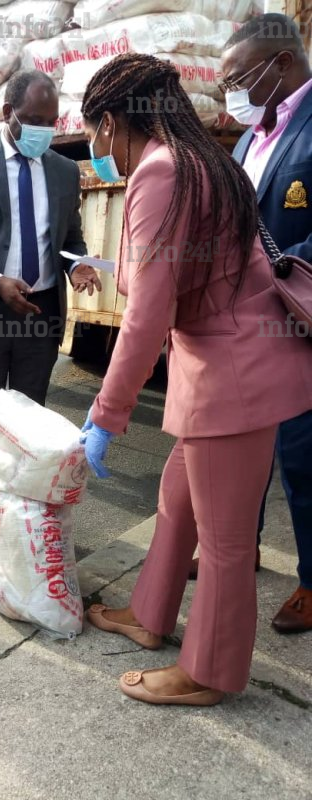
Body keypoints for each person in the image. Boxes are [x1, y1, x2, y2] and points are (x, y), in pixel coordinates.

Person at [79, 53, 312, 706]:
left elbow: (148, 313)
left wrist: (106, 413)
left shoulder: (161, 171)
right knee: (176, 501)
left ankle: (208, 672)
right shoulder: (208, 161)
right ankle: (149, 615)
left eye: (95, 133)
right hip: (231, 369)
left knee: (226, 543)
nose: (98, 150)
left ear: (113, 121)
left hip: (229, 380)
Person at [0, 69, 100, 555]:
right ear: (8, 114)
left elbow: (70, 238)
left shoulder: (64, 171)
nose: (43, 130)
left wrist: (77, 267)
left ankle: (22, 509)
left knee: (31, 421)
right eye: (34, 119)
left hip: (40, 313)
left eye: (51, 121)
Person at [211, 13, 312, 635]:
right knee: (244, 447)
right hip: (245, 325)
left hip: (299, 323)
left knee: (303, 457)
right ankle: (238, 550)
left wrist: (277, 272)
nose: (233, 95)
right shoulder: (252, 138)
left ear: (280, 64)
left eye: (238, 79)